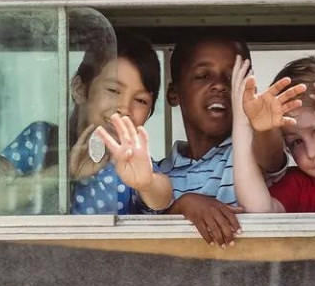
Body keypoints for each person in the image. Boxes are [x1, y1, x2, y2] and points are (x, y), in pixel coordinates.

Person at [97, 32, 299, 244]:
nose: (219, 85)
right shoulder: (158, 172)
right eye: (203, 75)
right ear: (174, 93)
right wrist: (183, 206)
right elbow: (153, 237)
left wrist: (261, 127)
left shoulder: (248, 151)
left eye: (232, 78)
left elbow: (271, 155)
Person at [0, 30, 166, 215]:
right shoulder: (41, 139)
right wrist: (63, 173)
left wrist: (146, 183)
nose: (124, 108)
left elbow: (163, 196)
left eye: (141, 100)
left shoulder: (134, 164)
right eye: (114, 91)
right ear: (79, 89)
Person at [230, 54, 315, 214]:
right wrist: (242, 119)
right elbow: (260, 209)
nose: (312, 153)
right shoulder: (300, 185)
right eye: (296, 142)